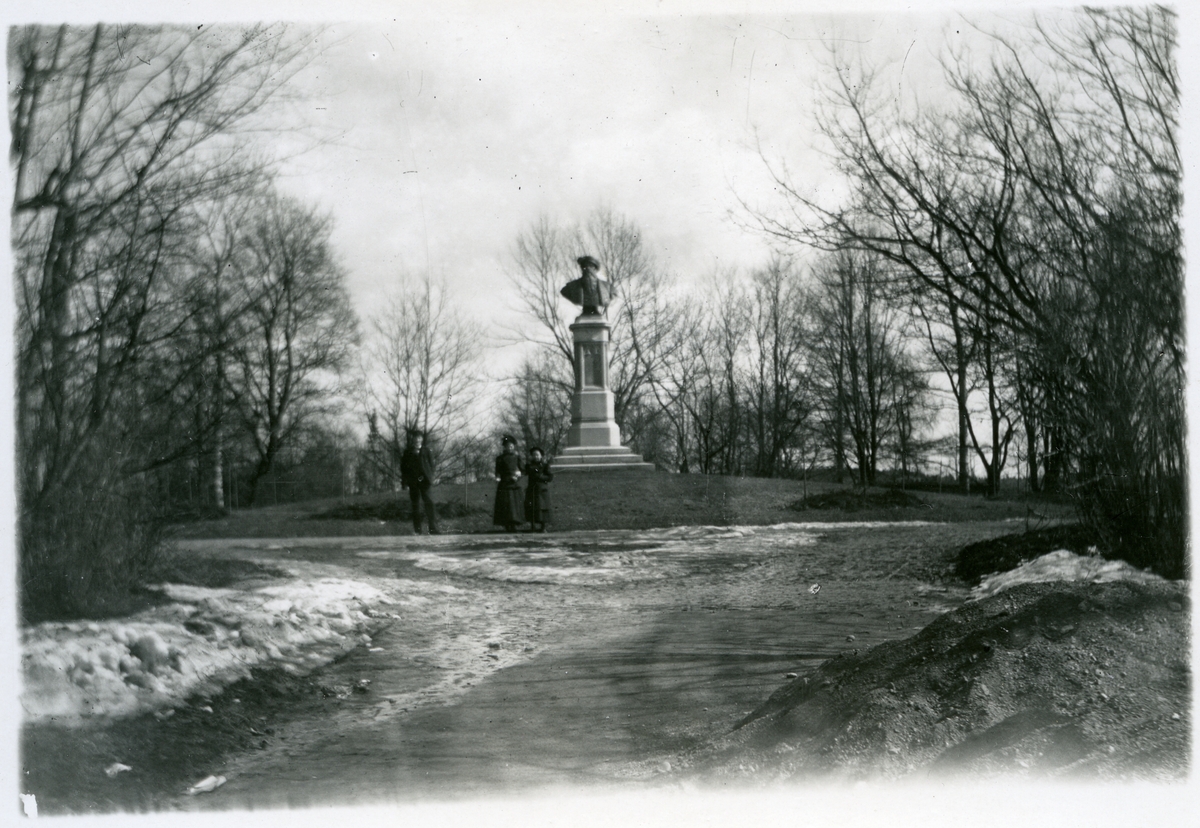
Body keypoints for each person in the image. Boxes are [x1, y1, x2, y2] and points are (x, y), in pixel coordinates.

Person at [400, 430, 440, 535]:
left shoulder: (427, 451)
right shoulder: (407, 452)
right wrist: (405, 483)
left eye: (419, 438)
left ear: (421, 439)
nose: (417, 440)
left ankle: (433, 529)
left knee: (429, 503)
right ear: (412, 439)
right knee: (415, 505)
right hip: (413, 482)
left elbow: (432, 465)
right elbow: (404, 469)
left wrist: (430, 477)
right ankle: (417, 530)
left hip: (425, 481)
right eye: (415, 438)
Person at [492, 435, 524, 532]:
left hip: (514, 483)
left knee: (514, 505)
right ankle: (506, 524)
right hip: (504, 483)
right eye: (507, 446)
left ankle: (514, 524)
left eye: (511, 446)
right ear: (504, 447)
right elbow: (497, 471)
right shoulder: (500, 458)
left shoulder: (517, 457)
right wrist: (497, 477)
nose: (509, 448)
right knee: (505, 504)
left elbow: (523, 469)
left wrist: (519, 474)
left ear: (513, 446)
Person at [523, 446, 553, 532]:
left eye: (537, 455)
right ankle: (532, 526)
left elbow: (550, 477)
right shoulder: (529, 466)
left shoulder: (545, 465)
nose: (536, 457)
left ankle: (543, 527)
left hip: (542, 489)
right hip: (532, 489)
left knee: (542, 507)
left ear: (541, 456)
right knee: (532, 507)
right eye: (534, 455)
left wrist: (541, 477)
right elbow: (524, 472)